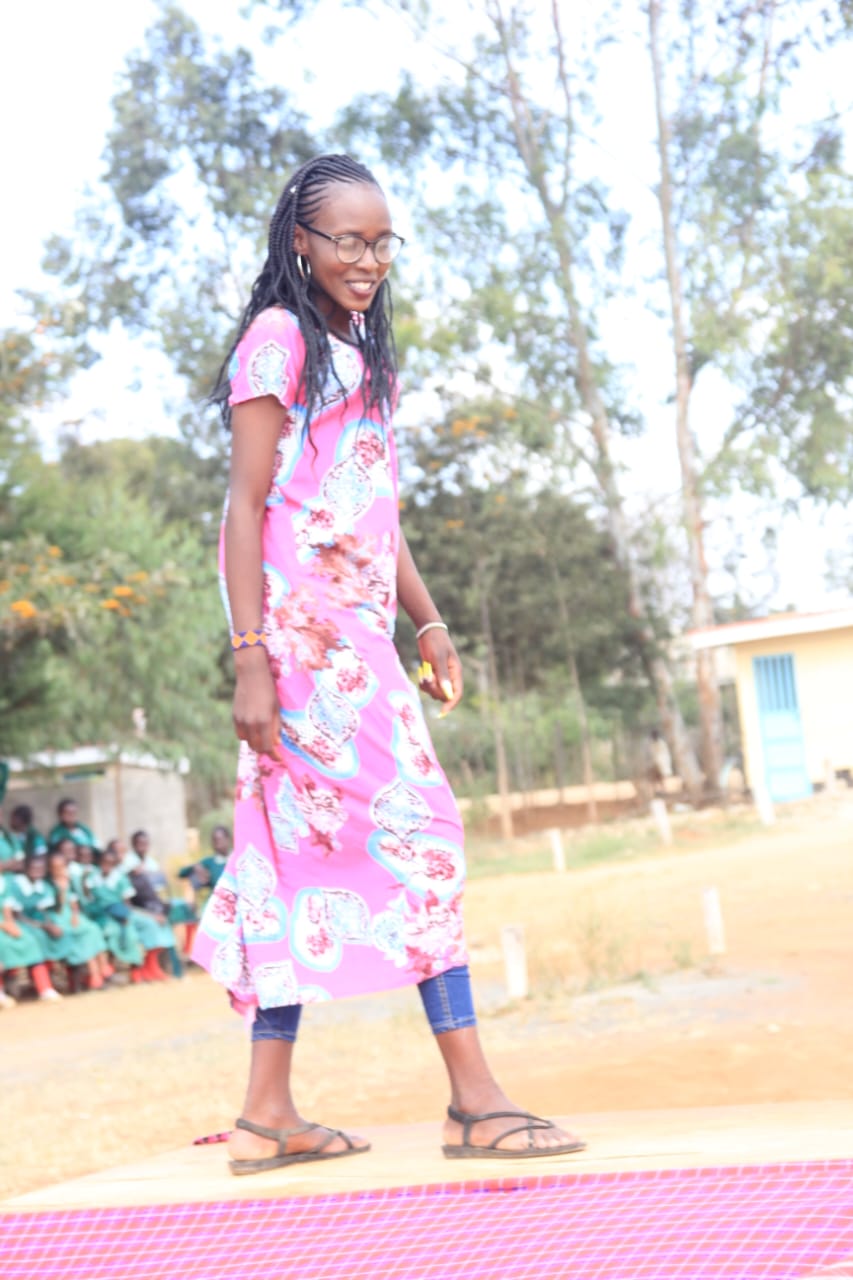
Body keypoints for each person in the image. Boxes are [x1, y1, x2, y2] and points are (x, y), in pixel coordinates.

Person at [191, 154, 584, 1174]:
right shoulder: (278, 339)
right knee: (426, 832)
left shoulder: (355, 342)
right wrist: (249, 657)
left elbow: (369, 508)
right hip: (303, 649)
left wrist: (428, 620)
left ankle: (266, 1111)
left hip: (361, 645)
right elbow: (243, 504)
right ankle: (473, 1099)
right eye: (346, 240)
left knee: (288, 856)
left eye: (380, 241)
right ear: (300, 245)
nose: (367, 259)